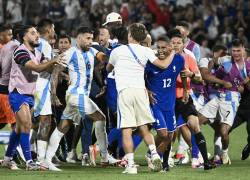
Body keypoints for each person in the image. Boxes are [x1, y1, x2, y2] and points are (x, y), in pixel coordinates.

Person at [43, 26, 116, 171]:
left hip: (78, 96)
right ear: (79, 38)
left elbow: (103, 58)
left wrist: (112, 57)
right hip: (77, 95)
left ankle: (46, 160)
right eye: (87, 38)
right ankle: (105, 157)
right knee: (100, 118)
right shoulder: (70, 53)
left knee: (63, 126)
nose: (90, 41)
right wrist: (53, 94)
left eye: (91, 38)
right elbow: (56, 71)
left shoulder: (92, 51)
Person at [106, 23, 175, 174]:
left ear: (130, 35)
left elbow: (108, 68)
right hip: (141, 92)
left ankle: (130, 165)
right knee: (144, 127)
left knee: (126, 130)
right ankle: (155, 154)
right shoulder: (146, 51)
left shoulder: (118, 51)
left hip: (125, 92)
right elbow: (163, 65)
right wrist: (172, 53)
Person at [1, 25, 63, 170]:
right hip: (18, 94)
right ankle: (30, 162)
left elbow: (46, 68)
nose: (37, 36)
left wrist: (57, 64)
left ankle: (7, 158)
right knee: (27, 125)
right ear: (24, 37)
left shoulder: (36, 52)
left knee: (18, 129)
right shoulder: (20, 52)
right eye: (33, 33)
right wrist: (52, 61)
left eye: (37, 33)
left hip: (29, 94)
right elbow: (36, 68)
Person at [199, 39, 250, 164]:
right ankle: (198, 155)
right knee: (195, 122)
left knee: (223, 131)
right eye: (234, 50)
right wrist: (219, 81)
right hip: (219, 97)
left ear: (243, 50)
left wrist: (245, 84)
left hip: (231, 99)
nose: (236, 53)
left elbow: (245, 88)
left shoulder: (247, 66)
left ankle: (224, 153)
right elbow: (211, 74)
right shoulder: (226, 61)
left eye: (239, 50)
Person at [145, 35, 187, 172]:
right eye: (158, 48)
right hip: (156, 103)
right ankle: (154, 156)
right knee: (163, 134)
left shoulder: (179, 59)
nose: (160, 51)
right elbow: (139, 77)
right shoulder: (151, 62)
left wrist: (186, 90)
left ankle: (156, 158)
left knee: (170, 135)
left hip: (170, 104)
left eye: (164, 47)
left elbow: (183, 73)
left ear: (170, 47)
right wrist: (147, 91)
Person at [34, 18, 56, 163]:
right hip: (41, 84)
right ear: (48, 30)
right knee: (45, 119)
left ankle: (27, 152)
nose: (54, 31)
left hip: (32, 84)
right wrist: (56, 63)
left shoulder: (34, 43)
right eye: (53, 28)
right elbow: (46, 67)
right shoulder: (45, 45)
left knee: (34, 121)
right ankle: (41, 159)